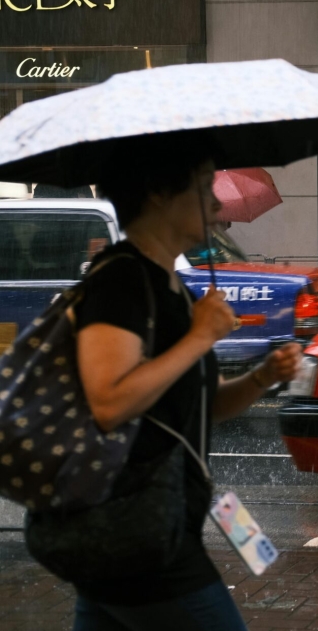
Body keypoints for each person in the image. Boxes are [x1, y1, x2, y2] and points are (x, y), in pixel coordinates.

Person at [41, 147, 301, 630]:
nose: (218, 205)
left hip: (139, 528)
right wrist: (201, 336)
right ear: (159, 194)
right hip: (135, 536)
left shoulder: (168, 285)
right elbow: (109, 401)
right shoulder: (122, 280)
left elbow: (202, 405)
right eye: (204, 188)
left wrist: (264, 376)